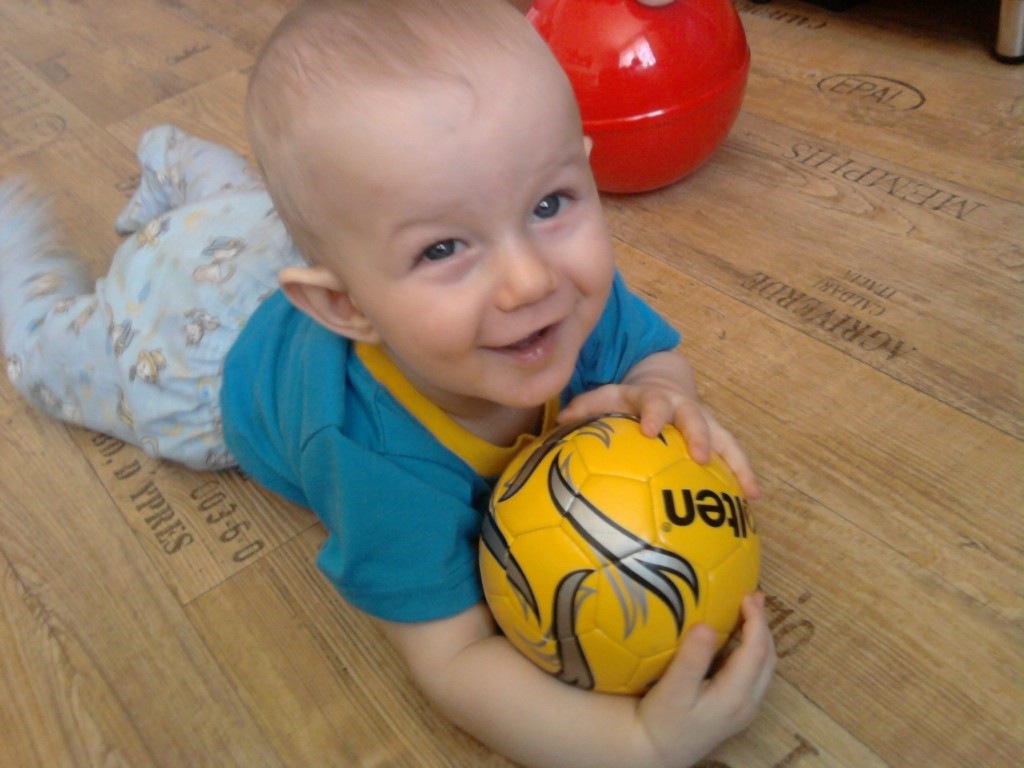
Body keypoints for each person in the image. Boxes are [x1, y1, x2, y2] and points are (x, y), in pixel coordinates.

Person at [0, 1, 775, 766]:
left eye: (549, 203)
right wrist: (636, 744)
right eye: (443, 249)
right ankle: (29, 275)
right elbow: (456, 660)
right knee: (47, 357)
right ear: (347, 308)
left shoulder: (569, 304)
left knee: (250, 211)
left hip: (261, 243)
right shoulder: (372, 458)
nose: (530, 279)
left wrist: (665, 391)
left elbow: (651, 358)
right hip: (183, 342)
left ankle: (178, 161)